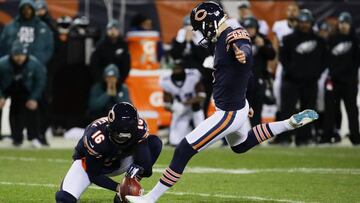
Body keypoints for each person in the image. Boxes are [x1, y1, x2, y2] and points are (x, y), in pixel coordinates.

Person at [126, 2, 318, 203]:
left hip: (229, 112)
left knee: (183, 149)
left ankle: (150, 199)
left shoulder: (233, 34)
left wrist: (243, 52)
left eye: (202, 27)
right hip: (237, 106)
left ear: (211, 22)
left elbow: (242, 44)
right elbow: (241, 73)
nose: (201, 32)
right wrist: (243, 100)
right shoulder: (222, 36)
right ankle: (289, 123)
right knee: (241, 145)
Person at [55, 102, 163, 203]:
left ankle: (129, 185)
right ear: (110, 126)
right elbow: (94, 174)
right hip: (90, 164)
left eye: (127, 136)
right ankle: (124, 191)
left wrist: (140, 170)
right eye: (118, 135)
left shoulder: (140, 129)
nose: (122, 140)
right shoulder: (96, 136)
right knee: (64, 198)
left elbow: (147, 170)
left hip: (120, 159)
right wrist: (120, 188)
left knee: (154, 143)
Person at [279, 9, 326, 146]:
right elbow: (283, 59)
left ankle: (304, 138)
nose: (304, 24)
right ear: (297, 23)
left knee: (308, 111)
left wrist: (315, 74)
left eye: (307, 22)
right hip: (291, 80)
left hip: (311, 81)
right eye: (301, 22)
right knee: (287, 109)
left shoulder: (320, 41)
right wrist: (293, 72)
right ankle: (285, 138)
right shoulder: (287, 40)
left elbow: (325, 60)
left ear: (311, 23)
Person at [323, 12, 360, 145]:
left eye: (346, 23)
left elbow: (356, 62)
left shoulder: (355, 40)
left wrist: (353, 77)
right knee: (331, 110)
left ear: (350, 24)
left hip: (349, 82)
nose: (344, 26)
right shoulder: (331, 39)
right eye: (342, 23)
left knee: (352, 110)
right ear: (338, 24)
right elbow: (326, 59)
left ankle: (355, 137)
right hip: (334, 80)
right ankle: (328, 136)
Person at [0, 41, 46, 147]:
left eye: (22, 55)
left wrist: (34, 98)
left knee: (33, 108)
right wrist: (0, 96)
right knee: (12, 112)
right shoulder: (2, 64)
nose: (19, 58)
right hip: (7, 88)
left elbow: (40, 81)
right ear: (12, 54)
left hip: (26, 90)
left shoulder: (35, 64)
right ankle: (16, 138)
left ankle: (34, 137)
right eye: (16, 55)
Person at [170, 15, 213, 116]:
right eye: (186, 26)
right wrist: (184, 42)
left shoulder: (202, 38)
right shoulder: (178, 39)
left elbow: (204, 56)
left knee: (201, 104)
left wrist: (194, 43)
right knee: (183, 105)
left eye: (191, 26)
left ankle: (202, 121)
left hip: (200, 77)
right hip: (184, 77)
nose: (189, 29)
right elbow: (175, 55)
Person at [270, 2, 299, 144]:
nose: (292, 12)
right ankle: (282, 133)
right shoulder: (279, 25)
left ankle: (304, 133)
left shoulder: (304, 24)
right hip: (284, 64)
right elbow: (275, 46)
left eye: (294, 9)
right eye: (290, 9)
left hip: (302, 66)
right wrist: (273, 63)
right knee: (279, 96)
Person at [160, 61, 205, 146]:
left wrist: (186, 103)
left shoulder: (193, 75)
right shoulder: (166, 81)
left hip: (194, 106)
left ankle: (203, 139)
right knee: (176, 140)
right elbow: (166, 103)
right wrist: (172, 107)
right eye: (175, 68)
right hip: (181, 109)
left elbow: (201, 95)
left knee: (199, 119)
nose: (177, 70)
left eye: (179, 68)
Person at [242, 16, 276, 126]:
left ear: (256, 28)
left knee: (257, 107)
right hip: (243, 80)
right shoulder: (240, 41)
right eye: (247, 28)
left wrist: (263, 46)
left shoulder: (263, 39)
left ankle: (255, 134)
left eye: (251, 27)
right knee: (240, 108)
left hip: (259, 78)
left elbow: (272, 55)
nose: (249, 30)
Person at [0, 0, 54, 65]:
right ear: (20, 10)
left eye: (29, 8)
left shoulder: (43, 27)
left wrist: (41, 61)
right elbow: (2, 45)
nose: (27, 11)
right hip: (12, 66)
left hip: (37, 65)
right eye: (24, 9)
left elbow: (49, 47)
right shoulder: (11, 26)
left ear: (33, 10)